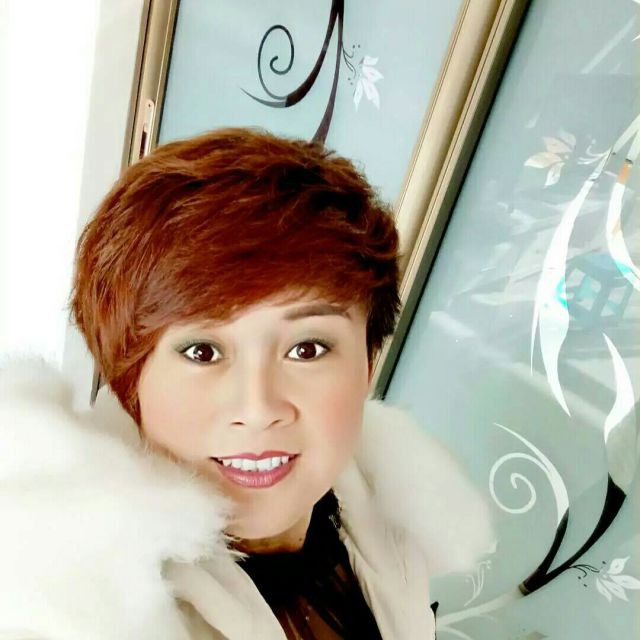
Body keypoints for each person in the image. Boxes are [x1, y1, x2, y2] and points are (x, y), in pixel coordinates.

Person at [0, 128, 493, 639]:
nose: (257, 408)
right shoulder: (66, 603)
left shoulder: (387, 507)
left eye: (306, 349)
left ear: (367, 363)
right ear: (131, 380)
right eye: (203, 352)